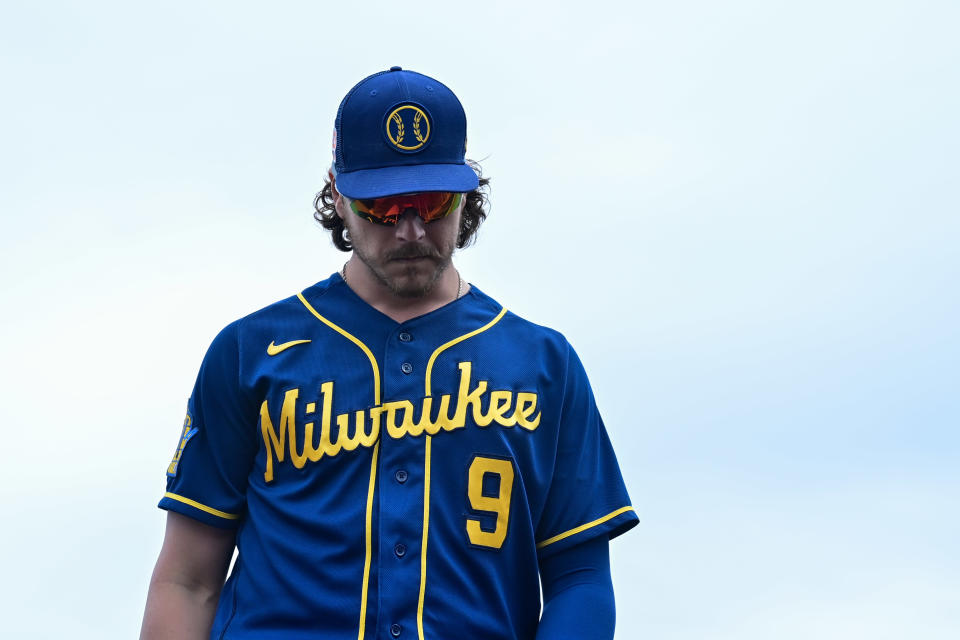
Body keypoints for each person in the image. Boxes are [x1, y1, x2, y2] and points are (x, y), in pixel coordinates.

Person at [140, 66, 638, 640]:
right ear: (338, 196)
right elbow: (188, 579)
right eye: (382, 204)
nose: (409, 230)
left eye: (432, 201)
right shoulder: (250, 351)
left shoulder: (543, 363)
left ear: (466, 193)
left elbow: (580, 577)